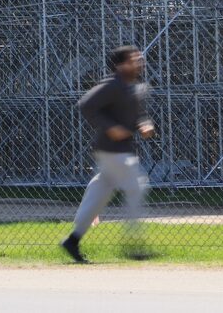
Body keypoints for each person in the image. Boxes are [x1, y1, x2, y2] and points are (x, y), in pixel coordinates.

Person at [61, 45, 155, 263]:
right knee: (136, 187)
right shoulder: (112, 85)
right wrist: (110, 126)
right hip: (114, 151)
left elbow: (138, 115)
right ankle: (134, 245)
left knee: (98, 197)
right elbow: (86, 105)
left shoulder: (134, 88)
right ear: (121, 65)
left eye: (139, 59)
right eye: (134, 59)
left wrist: (144, 124)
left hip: (116, 151)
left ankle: (72, 241)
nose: (139, 62)